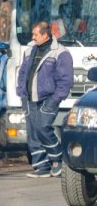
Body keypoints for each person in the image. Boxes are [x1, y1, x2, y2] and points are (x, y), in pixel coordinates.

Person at [16, 21, 73, 178]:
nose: (32, 37)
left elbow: (66, 80)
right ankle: (41, 167)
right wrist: (21, 92)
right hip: (29, 98)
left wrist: (56, 99)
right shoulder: (29, 50)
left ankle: (58, 158)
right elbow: (22, 74)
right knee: (33, 133)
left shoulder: (61, 53)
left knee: (43, 128)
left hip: (48, 99)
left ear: (45, 35)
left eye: (35, 34)